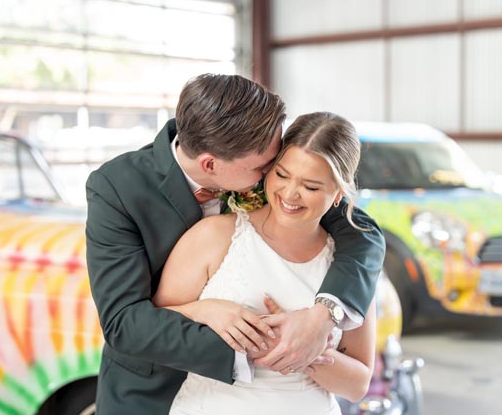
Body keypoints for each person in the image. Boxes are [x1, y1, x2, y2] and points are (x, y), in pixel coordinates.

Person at [86, 74, 385, 414]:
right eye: (268, 168)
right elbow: (123, 324)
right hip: (150, 389)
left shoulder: (267, 176)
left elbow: (361, 233)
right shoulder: (117, 188)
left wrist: (322, 317)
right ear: (210, 164)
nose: (276, 178)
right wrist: (274, 342)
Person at [154, 112, 378, 414]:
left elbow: (357, 385)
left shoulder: (347, 268)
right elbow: (153, 324)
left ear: (338, 193)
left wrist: (305, 349)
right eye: (282, 175)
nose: (289, 194)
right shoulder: (215, 236)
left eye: (311, 187)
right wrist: (205, 311)